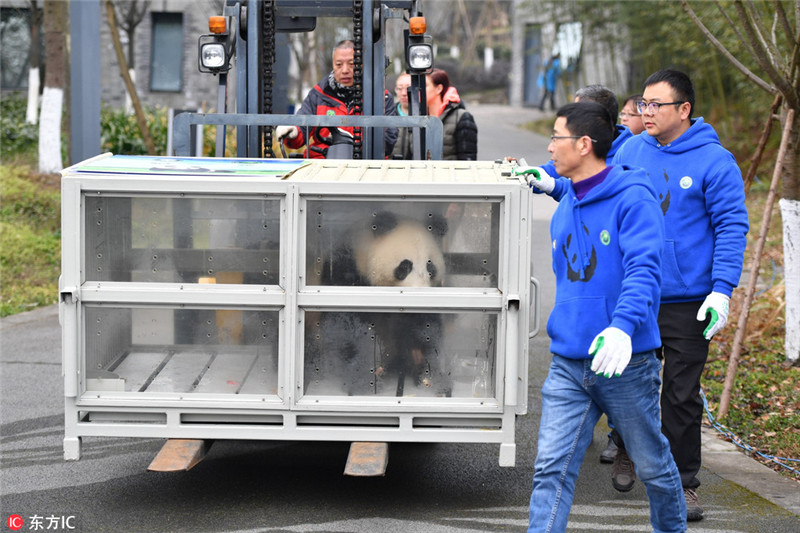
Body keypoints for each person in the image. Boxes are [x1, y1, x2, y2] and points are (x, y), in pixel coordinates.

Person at [526, 101, 685, 533]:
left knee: (653, 467)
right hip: (569, 361)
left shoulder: (635, 199)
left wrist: (621, 327)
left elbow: (644, 271)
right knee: (550, 471)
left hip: (626, 362)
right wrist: (552, 186)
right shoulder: (567, 201)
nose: (550, 147)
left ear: (584, 144)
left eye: (557, 138)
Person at [608, 69, 749, 522]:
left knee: (680, 396)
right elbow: (600, 194)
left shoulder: (715, 161)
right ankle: (628, 446)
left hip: (690, 300)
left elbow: (731, 227)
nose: (645, 113)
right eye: (643, 105)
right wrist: (553, 183)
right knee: (629, 385)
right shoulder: (630, 149)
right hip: (636, 293)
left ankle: (683, 484)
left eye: (656, 106)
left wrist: (722, 291)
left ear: (683, 110)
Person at [277, 40, 398, 158]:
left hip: (366, 166)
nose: (345, 70)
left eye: (352, 64)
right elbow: (302, 126)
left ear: (362, 64)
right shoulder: (318, 95)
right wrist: (293, 132)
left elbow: (388, 140)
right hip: (322, 165)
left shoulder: (381, 99)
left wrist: (352, 144)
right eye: (339, 65)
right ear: (333, 65)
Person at [425, 68, 478, 160]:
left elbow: (467, 161)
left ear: (439, 89)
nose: (418, 90)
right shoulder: (415, 117)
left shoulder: (462, 117)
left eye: (424, 85)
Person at [390, 73, 413, 160]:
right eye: (399, 88)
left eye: (408, 88)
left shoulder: (426, 114)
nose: (404, 93)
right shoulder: (388, 115)